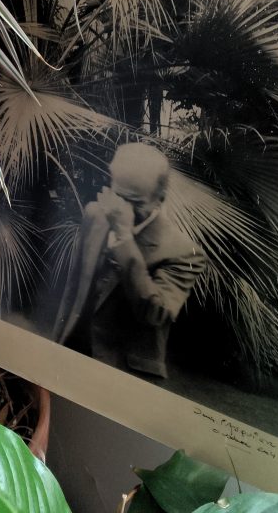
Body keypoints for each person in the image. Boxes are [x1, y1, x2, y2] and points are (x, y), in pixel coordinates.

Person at [52, 142, 206, 378]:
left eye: (136, 202)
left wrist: (124, 238)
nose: (124, 210)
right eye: (120, 196)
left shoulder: (184, 252)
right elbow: (73, 290)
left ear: (160, 199)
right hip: (73, 353)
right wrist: (56, 345)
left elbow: (156, 314)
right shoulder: (95, 214)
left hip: (124, 374)